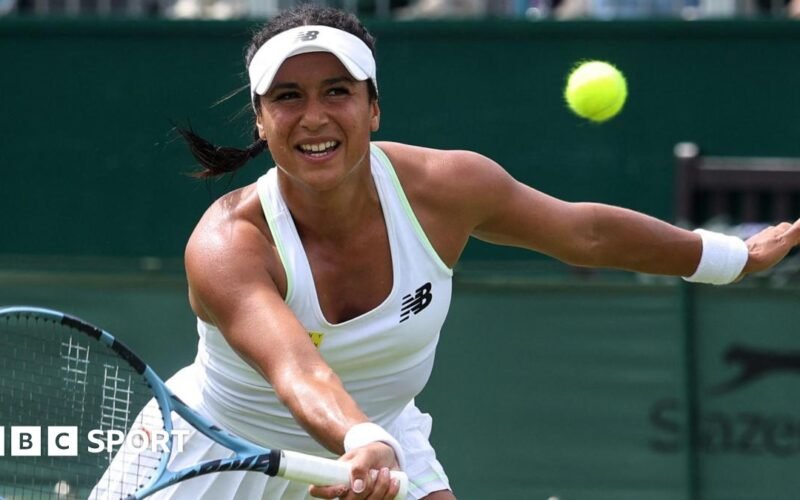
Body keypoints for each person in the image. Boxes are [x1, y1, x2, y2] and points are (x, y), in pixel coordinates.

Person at [97, 4, 800, 500]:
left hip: (379, 437)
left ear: (373, 107)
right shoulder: (228, 243)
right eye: (287, 97)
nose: (314, 116)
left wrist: (731, 259)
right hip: (220, 457)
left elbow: (583, 232)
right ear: (260, 119)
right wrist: (359, 438)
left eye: (337, 91)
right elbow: (297, 370)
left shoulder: (447, 188)